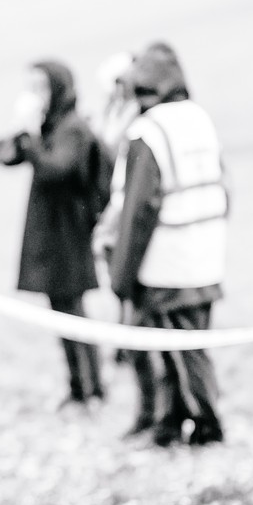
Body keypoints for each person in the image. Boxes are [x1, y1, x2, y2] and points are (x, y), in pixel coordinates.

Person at [109, 42, 229, 447]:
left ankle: (200, 426)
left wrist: (121, 275)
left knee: (172, 352)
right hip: (206, 250)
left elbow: (138, 209)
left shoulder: (149, 131)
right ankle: (181, 424)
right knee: (194, 345)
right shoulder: (200, 118)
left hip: (166, 260)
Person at [0, 59, 107, 410]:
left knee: (72, 311)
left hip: (68, 233)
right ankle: (81, 387)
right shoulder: (48, 125)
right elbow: (4, 156)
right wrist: (21, 131)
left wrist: (30, 137)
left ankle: (90, 388)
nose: (35, 95)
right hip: (51, 232)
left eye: (41, 87)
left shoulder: (72, 127)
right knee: (62, 310)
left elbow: (56, 168)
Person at [90, 51, 159, 436]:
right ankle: (148, 410)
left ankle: (152, 412)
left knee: (138, 322)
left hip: (130, 223)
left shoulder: (142, 120)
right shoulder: (116, 112)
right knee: (130, 315)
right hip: (115, 220)